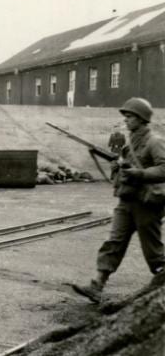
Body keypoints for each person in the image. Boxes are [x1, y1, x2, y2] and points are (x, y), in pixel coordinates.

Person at [73, 97, 165, 302]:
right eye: (126, 117)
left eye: (130, 117)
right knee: (114, 242)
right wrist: (117, 168)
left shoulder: (154, 142)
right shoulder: (129, 142)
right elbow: (124, 168)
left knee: (153, 251)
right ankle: (97, 285)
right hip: (127, 200)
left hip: (147, 203)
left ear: (142, 119)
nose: (126, 121)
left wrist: (139, 174)